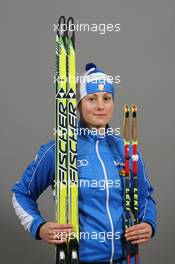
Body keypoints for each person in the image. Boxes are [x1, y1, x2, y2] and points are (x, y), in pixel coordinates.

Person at [11, 63, 157, 264]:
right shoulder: (59, 149)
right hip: (79, 259)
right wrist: (38, 226)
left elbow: (145, 195)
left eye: (107, 98)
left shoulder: (127, 150)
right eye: (91, 99)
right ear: (78, 105)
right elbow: (21, 194)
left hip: (127, 259)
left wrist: (148, 223)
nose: (100, 106)